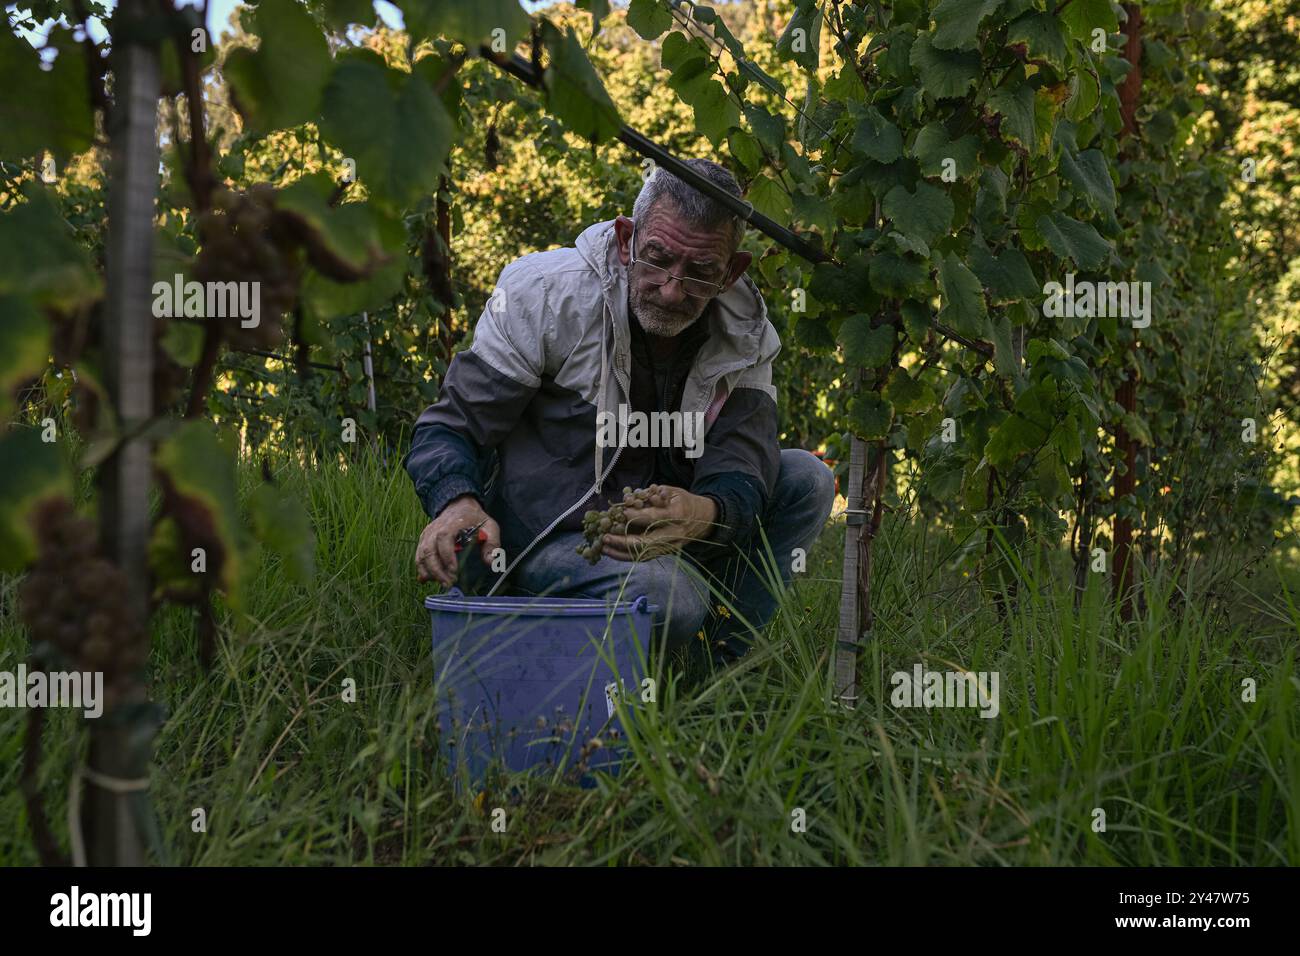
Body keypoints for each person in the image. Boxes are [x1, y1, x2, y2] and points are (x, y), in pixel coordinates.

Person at [404, 159, 835, 662]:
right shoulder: (547, 294)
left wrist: (706, 512)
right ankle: (555, 629)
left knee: (808, 479)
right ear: (627, 239)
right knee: (669, 597)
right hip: (549, 538)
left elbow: (745, 456)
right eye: (657, 259)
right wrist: (457, 502)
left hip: (672, 540)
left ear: (731, 271)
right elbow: (451, 426)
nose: (673, 290)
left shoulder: (746, 334)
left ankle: (718, 667)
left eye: (700, 273)